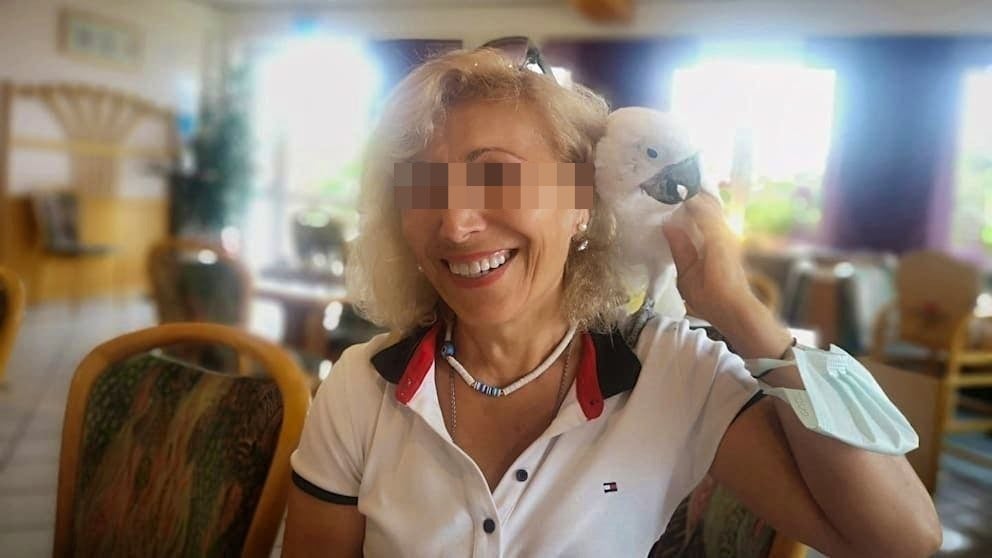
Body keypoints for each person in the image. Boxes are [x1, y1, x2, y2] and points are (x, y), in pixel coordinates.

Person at [282, 46, 941, 557]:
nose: (456, 224)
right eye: (424, 187)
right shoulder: (361, 389)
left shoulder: (671, 372)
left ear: (579, 202)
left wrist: (740, 311)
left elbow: (902, 539)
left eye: (496, 176)